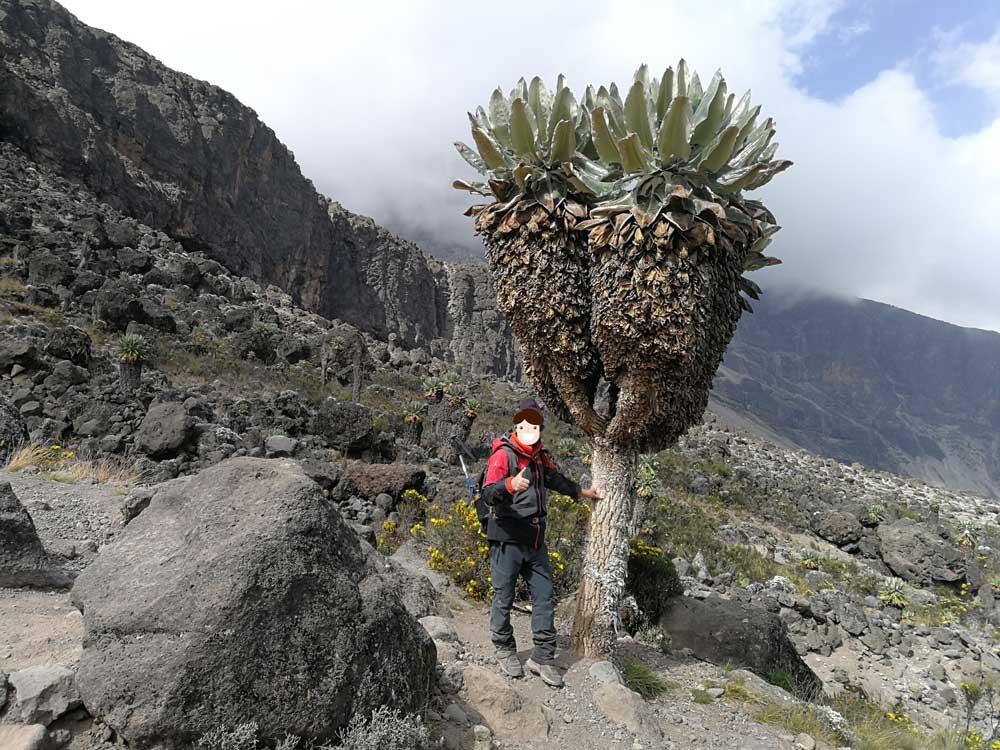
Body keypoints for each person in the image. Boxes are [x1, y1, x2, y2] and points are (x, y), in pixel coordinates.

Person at [479, 397, 602, 687]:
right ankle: (503, 647)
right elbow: (488, 494)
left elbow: (555, 480)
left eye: (536, 425)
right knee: (504, 596)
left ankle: (543, 657)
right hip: (507, 539)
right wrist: (510, 485)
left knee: (544, 597)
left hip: (535, 540)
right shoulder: (503, 457)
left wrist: (583, 492)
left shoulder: (538, 458)